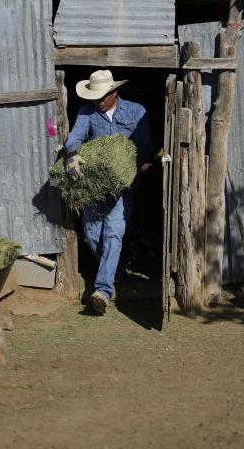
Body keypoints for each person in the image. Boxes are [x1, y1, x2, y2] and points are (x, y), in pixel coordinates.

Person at [64, 69, 152, 314]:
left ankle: (102, 290)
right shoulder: (87, 112)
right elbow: (74, 138)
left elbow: (144, 146)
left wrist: (128, 171)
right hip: (94, 188)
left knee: (113, 233)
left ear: (114, 92)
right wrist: (72, 156)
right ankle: (117, 267)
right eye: (95, 96)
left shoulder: (136, 111)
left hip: (123, 188)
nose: (98, 101)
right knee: (93, 237)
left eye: (102, 96)